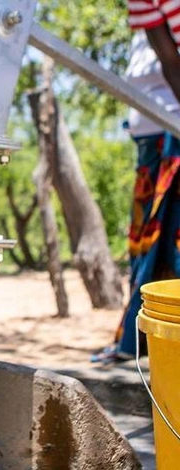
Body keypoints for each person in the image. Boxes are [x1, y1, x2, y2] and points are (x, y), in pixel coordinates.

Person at [92, 29, 180, 364]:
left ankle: (162, 344)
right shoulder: (147, 21)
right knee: (144, 245)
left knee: (171, 244)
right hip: (149, 145)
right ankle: (138, 341)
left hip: (173, 141)